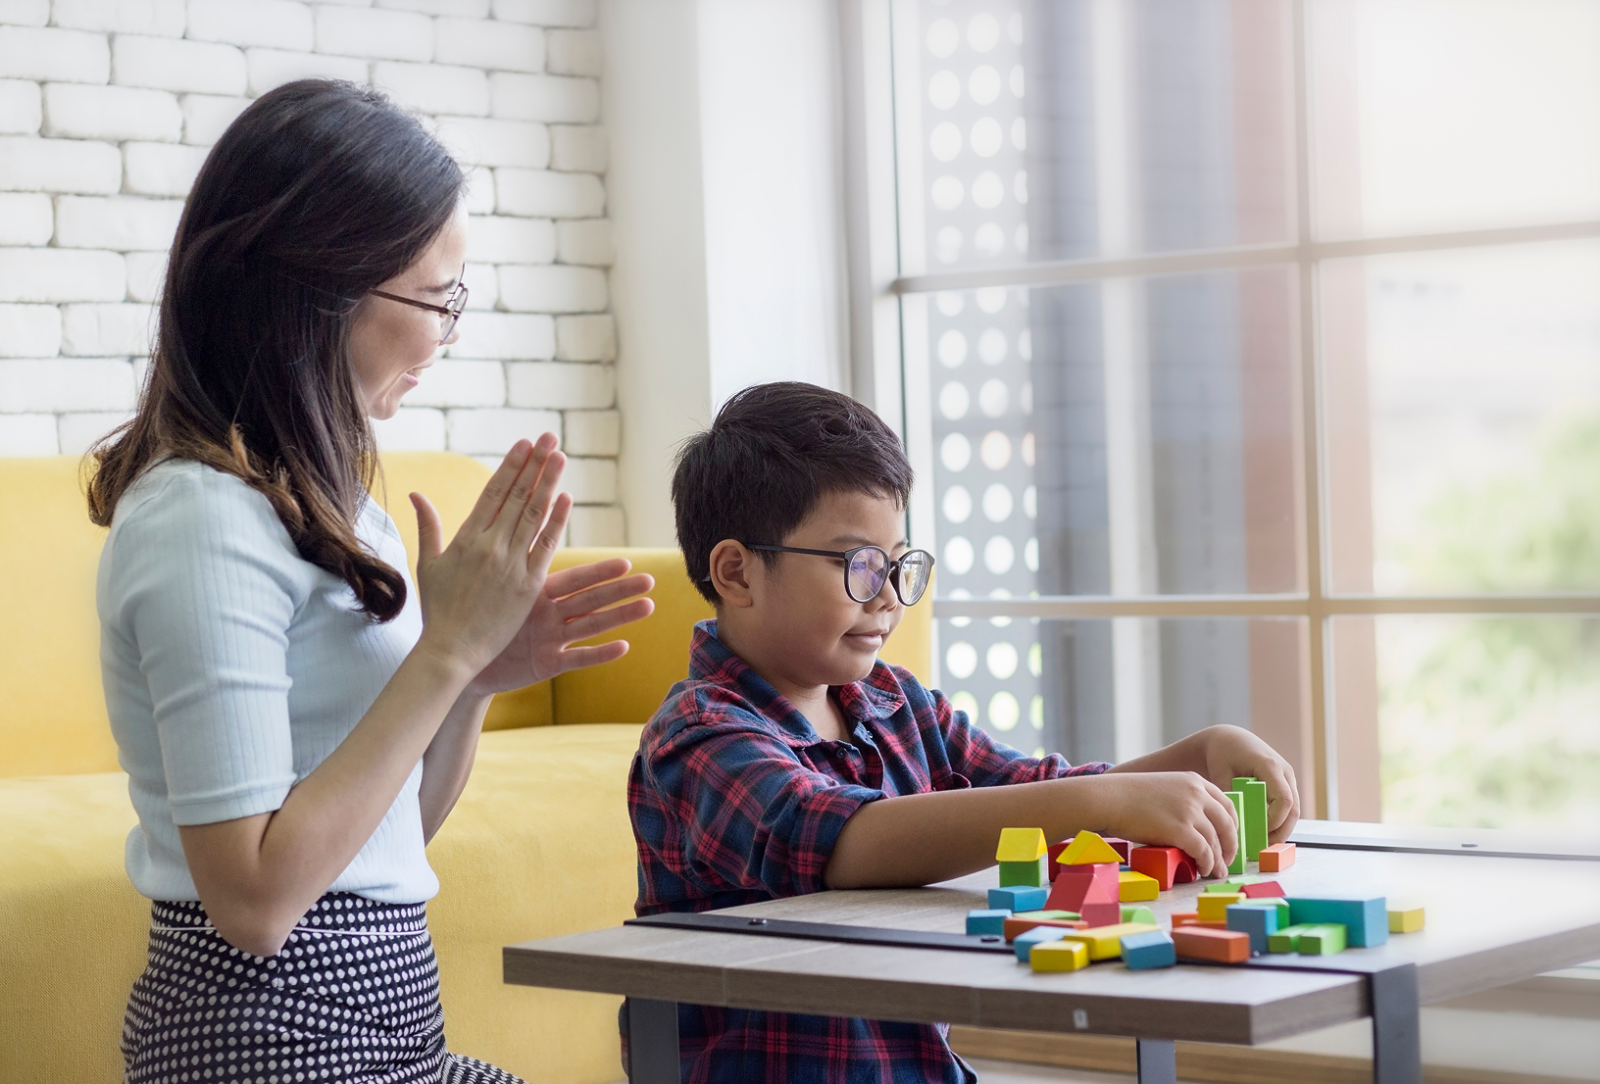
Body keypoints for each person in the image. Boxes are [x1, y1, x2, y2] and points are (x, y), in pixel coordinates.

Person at [89, 79, 653, 1084]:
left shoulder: (345, 514)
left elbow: (390, 834)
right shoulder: (199, 519)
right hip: (258, 1038)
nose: (446, 335)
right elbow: (256, 903)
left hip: (388, 1028)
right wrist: (442, 652)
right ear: (321, 287)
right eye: (438, 299)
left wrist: (473, 676)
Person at [628, 381, 1302, 1082]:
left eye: (896, 564)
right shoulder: (699, 739)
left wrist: (1200, 753)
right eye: (857, 564)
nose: (887, 595)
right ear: (737, 573)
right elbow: (838, 841)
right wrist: (1097, 805)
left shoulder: (898, 705)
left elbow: (1037, 793)